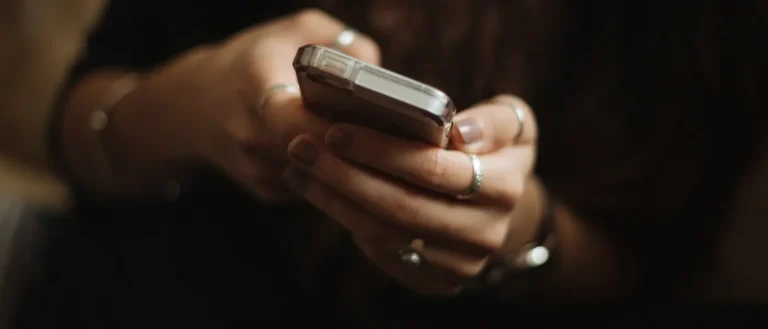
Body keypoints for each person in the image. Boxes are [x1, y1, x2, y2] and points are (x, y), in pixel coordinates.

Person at [36, 0, 768, 327]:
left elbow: (652, 265)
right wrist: (194, 101)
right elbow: (75, 133)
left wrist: (518, 232)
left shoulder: (701, 25)